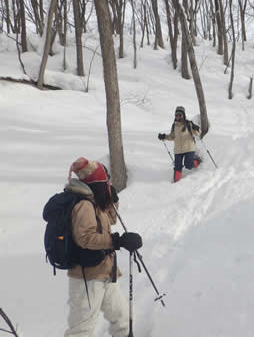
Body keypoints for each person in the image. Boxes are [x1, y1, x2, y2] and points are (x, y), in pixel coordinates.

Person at [65, 157, 143, 337]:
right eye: (104, 182)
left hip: (104, 273)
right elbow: (85, 238)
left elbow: (111, 220)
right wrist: (118, 242)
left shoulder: (95, 201)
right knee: (81, 331)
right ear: (95, 183)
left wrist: (112, 201)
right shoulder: (83, 205)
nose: (107, 185)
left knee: (123, 319)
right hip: (87, 278)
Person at [158, 106, 201, 182]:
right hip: (178, 150)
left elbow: (197, 134)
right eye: (176, 115)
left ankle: (197, 160)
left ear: (183, 115)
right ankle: (175, 182)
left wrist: (196, 128)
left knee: (189, 165)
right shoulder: (174, 126)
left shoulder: (188, 124)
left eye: (180, 115)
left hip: (189, 149)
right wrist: (164, 136)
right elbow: (172, 137)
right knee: (177, 167)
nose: (178, 117)